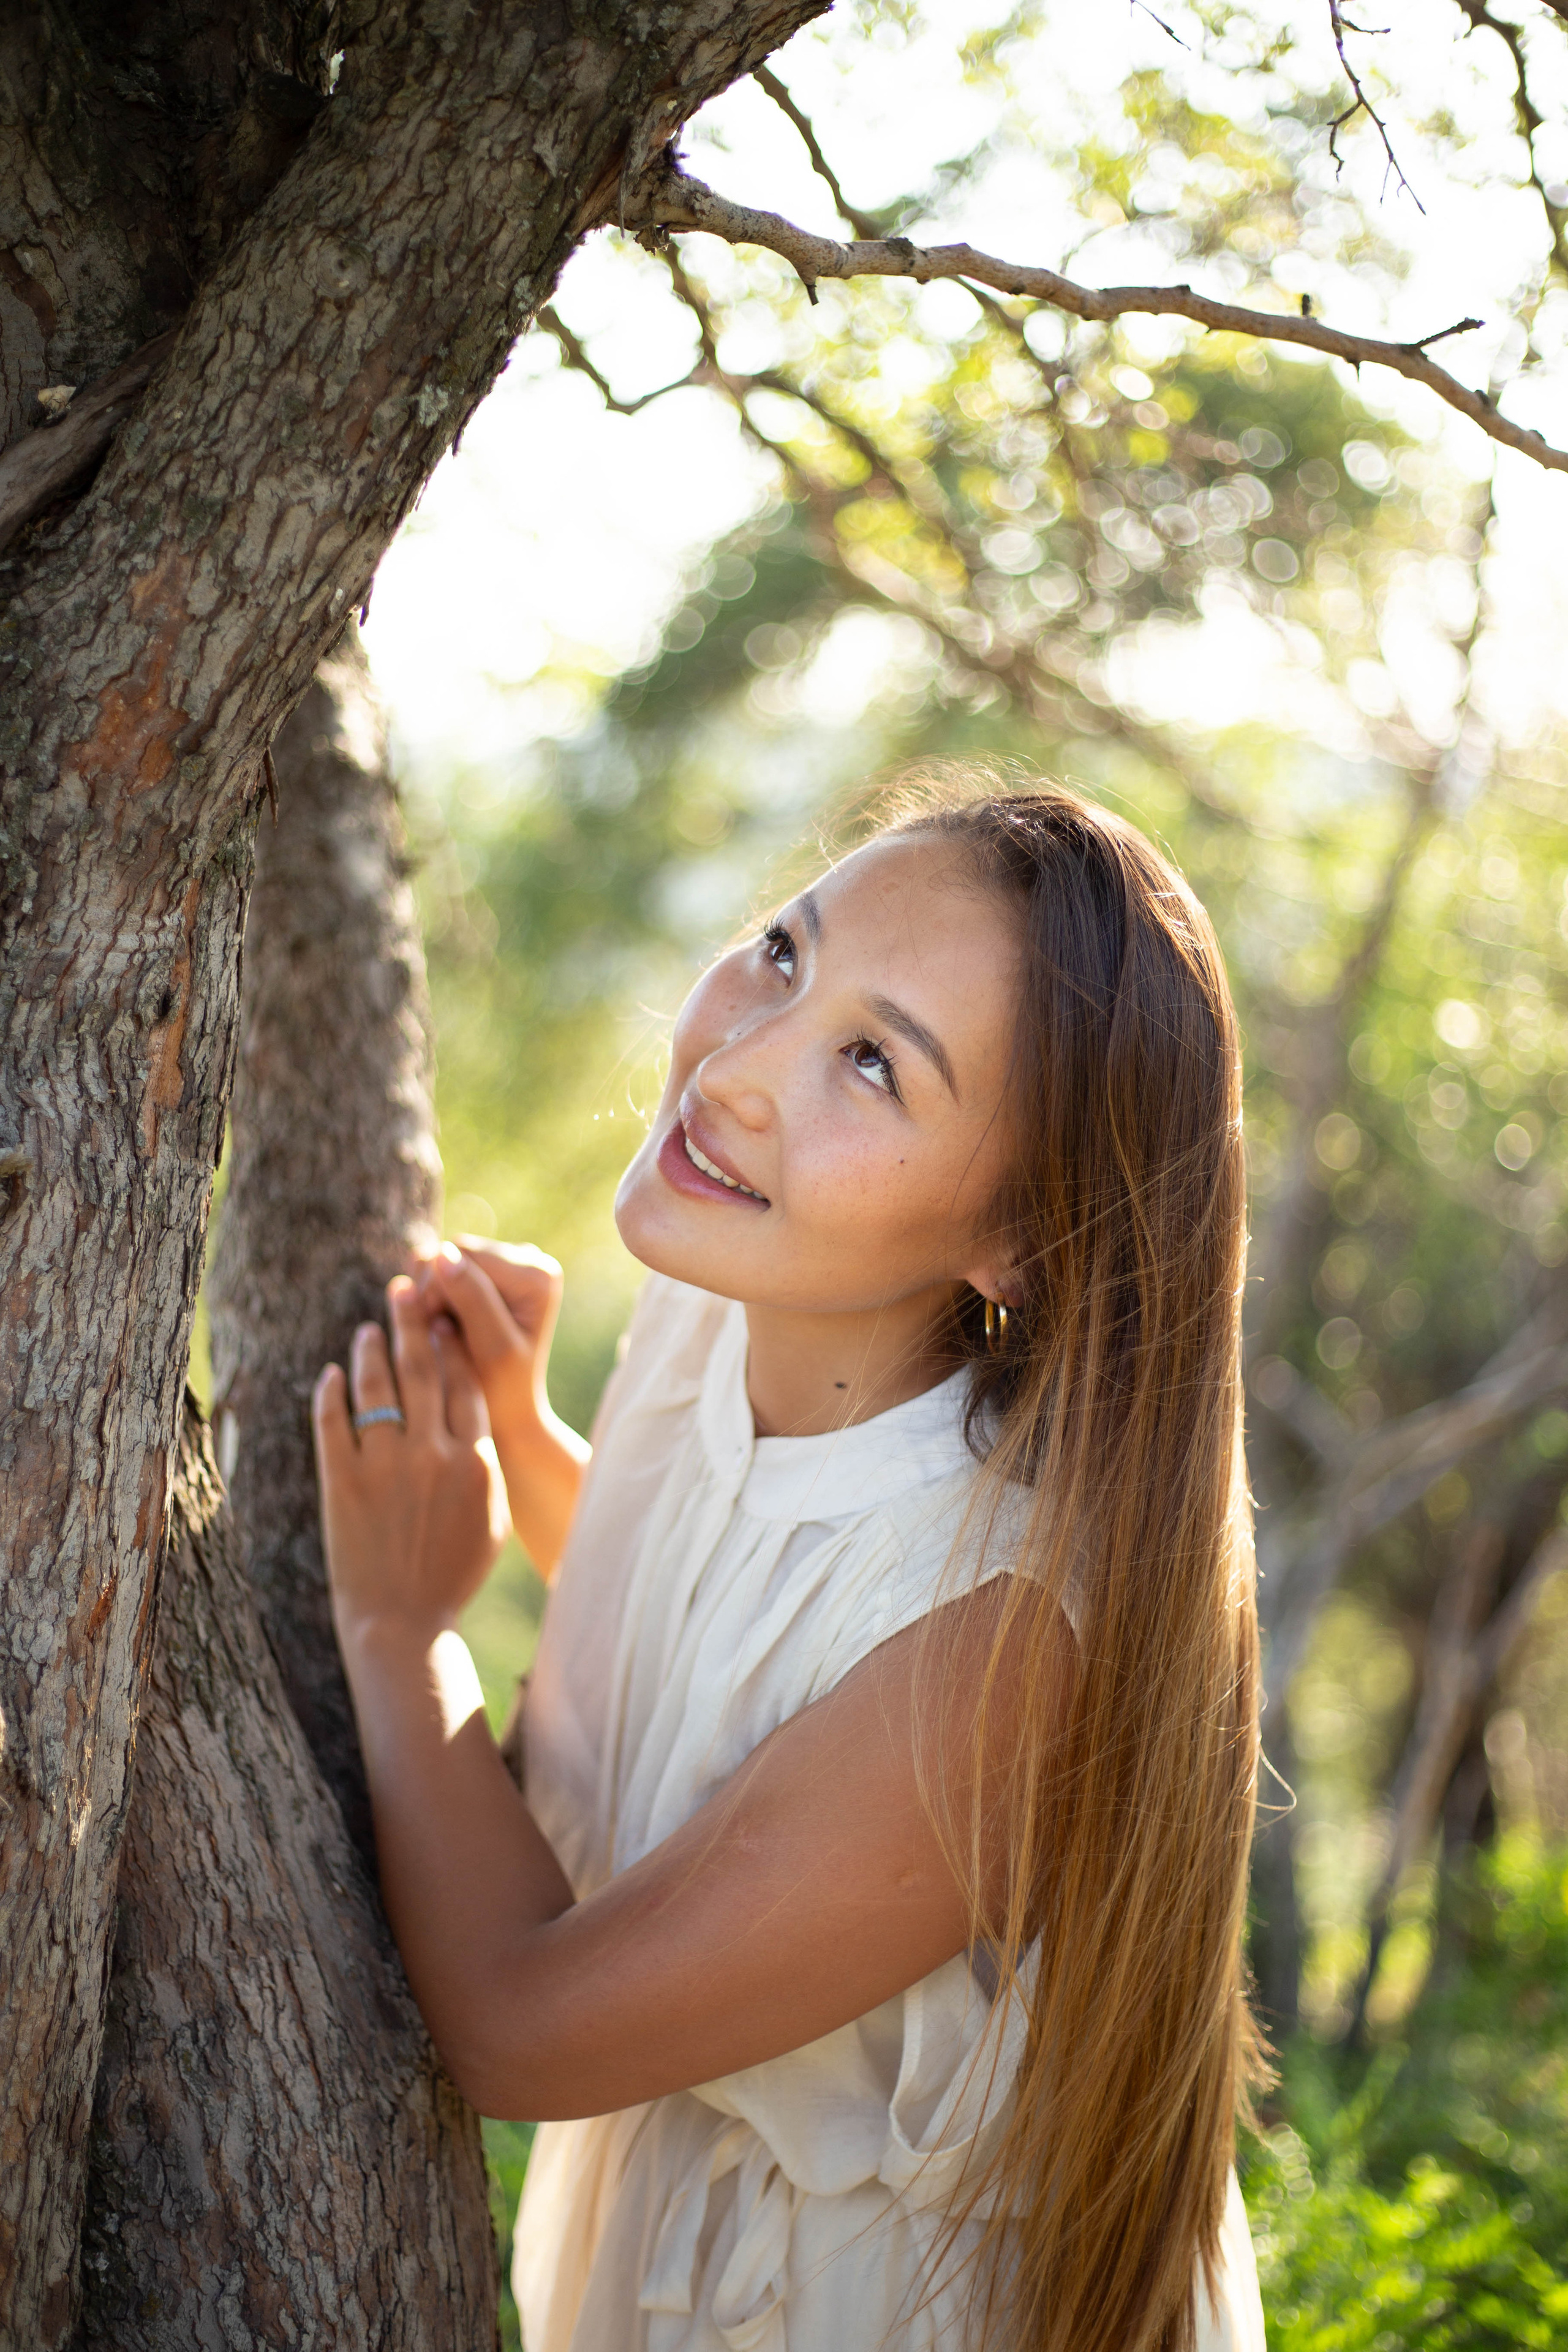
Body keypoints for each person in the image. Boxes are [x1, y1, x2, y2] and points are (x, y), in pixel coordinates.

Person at [313, 778, 1268, 2352]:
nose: (739, 1067)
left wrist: (397, 1622)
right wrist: (534, 1444)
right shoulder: (722, 1300)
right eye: (780, 952)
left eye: (873, 1064)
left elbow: (520, 2030)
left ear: (1016, 1238)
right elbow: (733, 1641)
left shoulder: (1004, 1642)